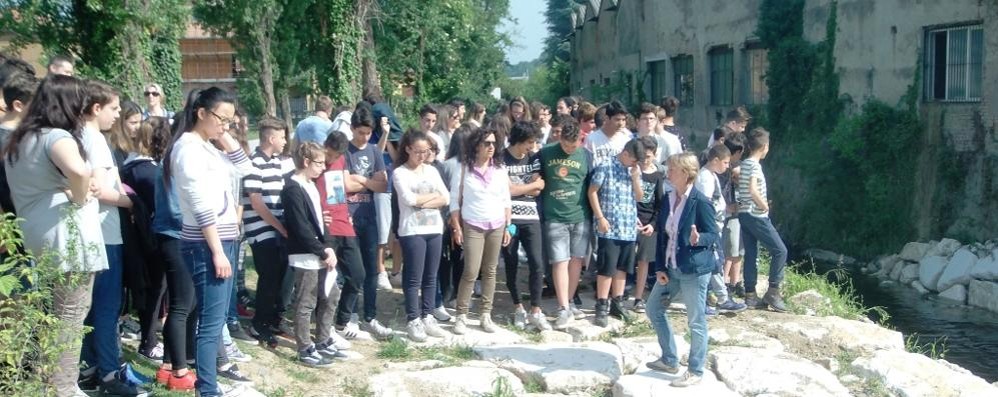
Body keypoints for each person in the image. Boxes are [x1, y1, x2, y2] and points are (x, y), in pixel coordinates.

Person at [4, 74, 106, 396]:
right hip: (67, 241)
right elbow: (78, 170)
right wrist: (79, 193)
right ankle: (61, 388)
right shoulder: (56, 136)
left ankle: (50, 383)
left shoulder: (22, 137)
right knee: (70, 319)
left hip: (40, 237)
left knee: (55, 317)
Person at [163, 86, 253, 397]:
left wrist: (224, 135)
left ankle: (209, 385)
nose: (226, 125)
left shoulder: (207, 146)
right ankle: (208, 390)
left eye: (231, 120)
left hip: (222, 239)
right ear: (201, 114)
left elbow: (245, 169)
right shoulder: (187, 149)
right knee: (211, 324)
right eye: (221, 118)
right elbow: (200, 205)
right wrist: (217, 251)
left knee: (213, 321)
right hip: (206, 244)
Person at [77, 80, 146, 396]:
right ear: (96, 108)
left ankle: (89, 367)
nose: (117, 114)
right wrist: (132, 201)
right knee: (107, 307)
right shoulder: (95, 140)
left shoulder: (77, 135)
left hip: (93, 235)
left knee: (91, 309)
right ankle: (107, 374)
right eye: (115, 108)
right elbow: (100, 190)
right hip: (105, 235)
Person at [645, 152, 720, 388]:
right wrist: (659, 267)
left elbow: (713, 235)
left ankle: (696, 369)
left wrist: (698, 239)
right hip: (671, 268)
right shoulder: (668, 198)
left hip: (694, 270)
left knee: (696, 321)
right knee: (653, 308)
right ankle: (669, 359)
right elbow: (662, 237)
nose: (668, 172)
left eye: (673, 169)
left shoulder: (701, 202)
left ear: (686, 173)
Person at [281, 141, 349, 367]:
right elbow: (300, 226)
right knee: (306, 301)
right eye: (319, 163)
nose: (323, 168)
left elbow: (322, 221)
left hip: (321, 252)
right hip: (305, 255)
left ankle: (322, 339)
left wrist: (329, 246)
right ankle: (304, 347)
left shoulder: (311, 184)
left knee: (331, 296)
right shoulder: (292, 187)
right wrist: (321, 251)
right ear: (306, 162)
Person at [318, 130, 384, 343]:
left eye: (338, 156)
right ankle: (324, 328)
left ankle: (342, 322)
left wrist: (360, 181)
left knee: (358, 274)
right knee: (326, 279)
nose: (333, 159)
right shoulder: (316, 160)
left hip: (344, 223)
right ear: (325, 146)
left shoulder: (341, 159)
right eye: (332, 154)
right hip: (326, 227)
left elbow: (346, 186)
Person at [450, 125, 512, 335]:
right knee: (470, 270)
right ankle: (461, 315)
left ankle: (486, 314)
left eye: (494, 143)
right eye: (486, 143)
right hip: (472, 224)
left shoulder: (500, 169)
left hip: (496, 224)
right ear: (476, 145)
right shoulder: (464, 168)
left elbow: (506, 200)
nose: (491, 147)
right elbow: (454, 201)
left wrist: (508, 226)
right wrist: (456, 227)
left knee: (491, 270)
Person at [533, 119, 593, 329]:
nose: (569, 149)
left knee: (576, 260)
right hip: (555, 215)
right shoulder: (546, 152)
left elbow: (591, 185)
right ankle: (562, 307)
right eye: (565, 145)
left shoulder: (586, 155)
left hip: (580, 215)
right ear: (560, 138)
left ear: (580, 140)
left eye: (573, 145)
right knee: (559, 261)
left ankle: (568, 302)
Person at [392, 130, 450, 342]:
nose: (422, 155)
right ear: (407, 149)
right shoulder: (400, 172)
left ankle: (428, 315)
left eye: (426, 151)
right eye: (418, 151)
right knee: (413, 277)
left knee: (431, 276)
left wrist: (424, 199)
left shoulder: (432, 171)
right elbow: (408, 200)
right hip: (412, 230)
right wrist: (431, 197)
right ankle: (413, 318)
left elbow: (446, 197)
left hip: (434, 228)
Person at [342, 105, 392, 339]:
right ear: (352, 129)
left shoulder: (374, 151)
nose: (364, 137)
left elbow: (383, 185)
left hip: (369, 217)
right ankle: (349, 315)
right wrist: (368, 181)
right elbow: (344, 185)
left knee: (372, 269)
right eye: (360, 132)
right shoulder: (344, 151)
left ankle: (370, 316)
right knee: (354, 270)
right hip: (349, 217)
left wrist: (360, 179)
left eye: (368, 133)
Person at [242, 116, 291, 348]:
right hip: (261, 230)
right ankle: (258, 324)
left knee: (278, 277)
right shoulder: (254, 163)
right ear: (271, 138)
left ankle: (271, 320)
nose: (285, 141)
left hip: (275, 230)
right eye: (282, 137)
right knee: (268, 278)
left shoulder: (275, 162)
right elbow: (257, 202)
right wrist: (280, 226)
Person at [588, 138, 646, 327]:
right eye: (634, 160)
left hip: (628, 226)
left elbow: (639, 196)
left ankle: (617, 302)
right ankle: (602, 305)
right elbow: (593, 191)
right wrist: (600, 217)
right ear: (626, 153)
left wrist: (636, 177)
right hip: (609, 227)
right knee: (607, 268)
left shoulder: (633, 171)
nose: (635, 164)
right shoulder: (606, 165)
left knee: (623, 268)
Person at [502, 121, 550, 331]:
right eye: (529, 142)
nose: (532, 146)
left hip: (532, 217)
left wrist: (523, 188)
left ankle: (536, 310)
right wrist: (529, 187)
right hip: (508, 218)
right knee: (511, 263)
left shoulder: (535, 158)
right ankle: (518, 308)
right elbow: (508, 191)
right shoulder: (501, 158)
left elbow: (539, 189)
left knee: (537, 263)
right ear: (519, 140)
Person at [738, 127, 788, 312]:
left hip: (744, 214)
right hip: (756, 215)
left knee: (751, 254)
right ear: (765, 147)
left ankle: (750, 295)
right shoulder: (754, 165)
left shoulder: (744, 164)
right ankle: (773, 291)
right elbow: (752, 189)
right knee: (780, 251)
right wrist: (765, 205)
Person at [695, 144, 747, 314]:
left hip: (714, 227)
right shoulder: (705, 178)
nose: (727, 166)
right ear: (715, 160)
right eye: (725, 163)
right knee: (713, 263)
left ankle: (717, 299)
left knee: (715, 263)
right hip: (709, 229)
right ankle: (716, 300)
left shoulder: (711, 175)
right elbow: (705, 205)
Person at [633, 136, 666, 313]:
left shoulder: (658, 176)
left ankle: (638, 298)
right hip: (630, 219)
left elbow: (660, 204)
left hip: (648, 223)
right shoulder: (632, 171)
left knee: (644, 261)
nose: (645, 160)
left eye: (649, 156)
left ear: (654, 155)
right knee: (624, 260)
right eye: (642, 156)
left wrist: (653, 224)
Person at [721, 133, 747, 298]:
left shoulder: (737, 168)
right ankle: (723, 283)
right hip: (728, 215)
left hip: (739, 213)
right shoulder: (724, 170)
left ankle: (735, 282)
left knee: (739, 250)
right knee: (729, 251)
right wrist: (727, 207)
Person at [585, 100, 632, 166]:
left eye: (623, 120)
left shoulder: (628, 138)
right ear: (607, 118)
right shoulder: (591, 139)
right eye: (617, 119)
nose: (621, 123)